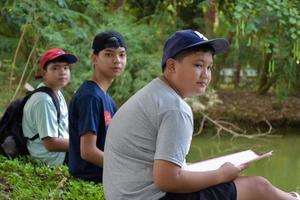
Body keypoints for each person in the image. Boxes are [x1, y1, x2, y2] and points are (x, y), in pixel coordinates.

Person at [103, 29, 299, 200]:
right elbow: (167, 180)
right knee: (258, 187)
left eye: (209, 67)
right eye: (198, 65)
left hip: (124, 194)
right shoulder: (174, 108)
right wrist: (221, 175)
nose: (205, 74)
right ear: (172, 66)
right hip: (149, 197)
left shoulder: (155, 93)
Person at [68, 31, 127, 183]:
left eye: (121, 55)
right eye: (109, 54)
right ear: (94, 58)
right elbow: (88, 151)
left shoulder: (107, 99)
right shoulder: (90, 97)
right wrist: (126, 168)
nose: (117, 60)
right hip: (91, 178)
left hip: (106, 175)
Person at [22, 48, 77, 166]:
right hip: (51, 158)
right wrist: (82, 146)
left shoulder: (57, 94)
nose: (62, 71)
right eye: (55, 68)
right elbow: (50, 144)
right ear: (44, 73)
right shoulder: (43, 100)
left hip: (61, 152)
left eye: (66, 67)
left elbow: (65, 128)